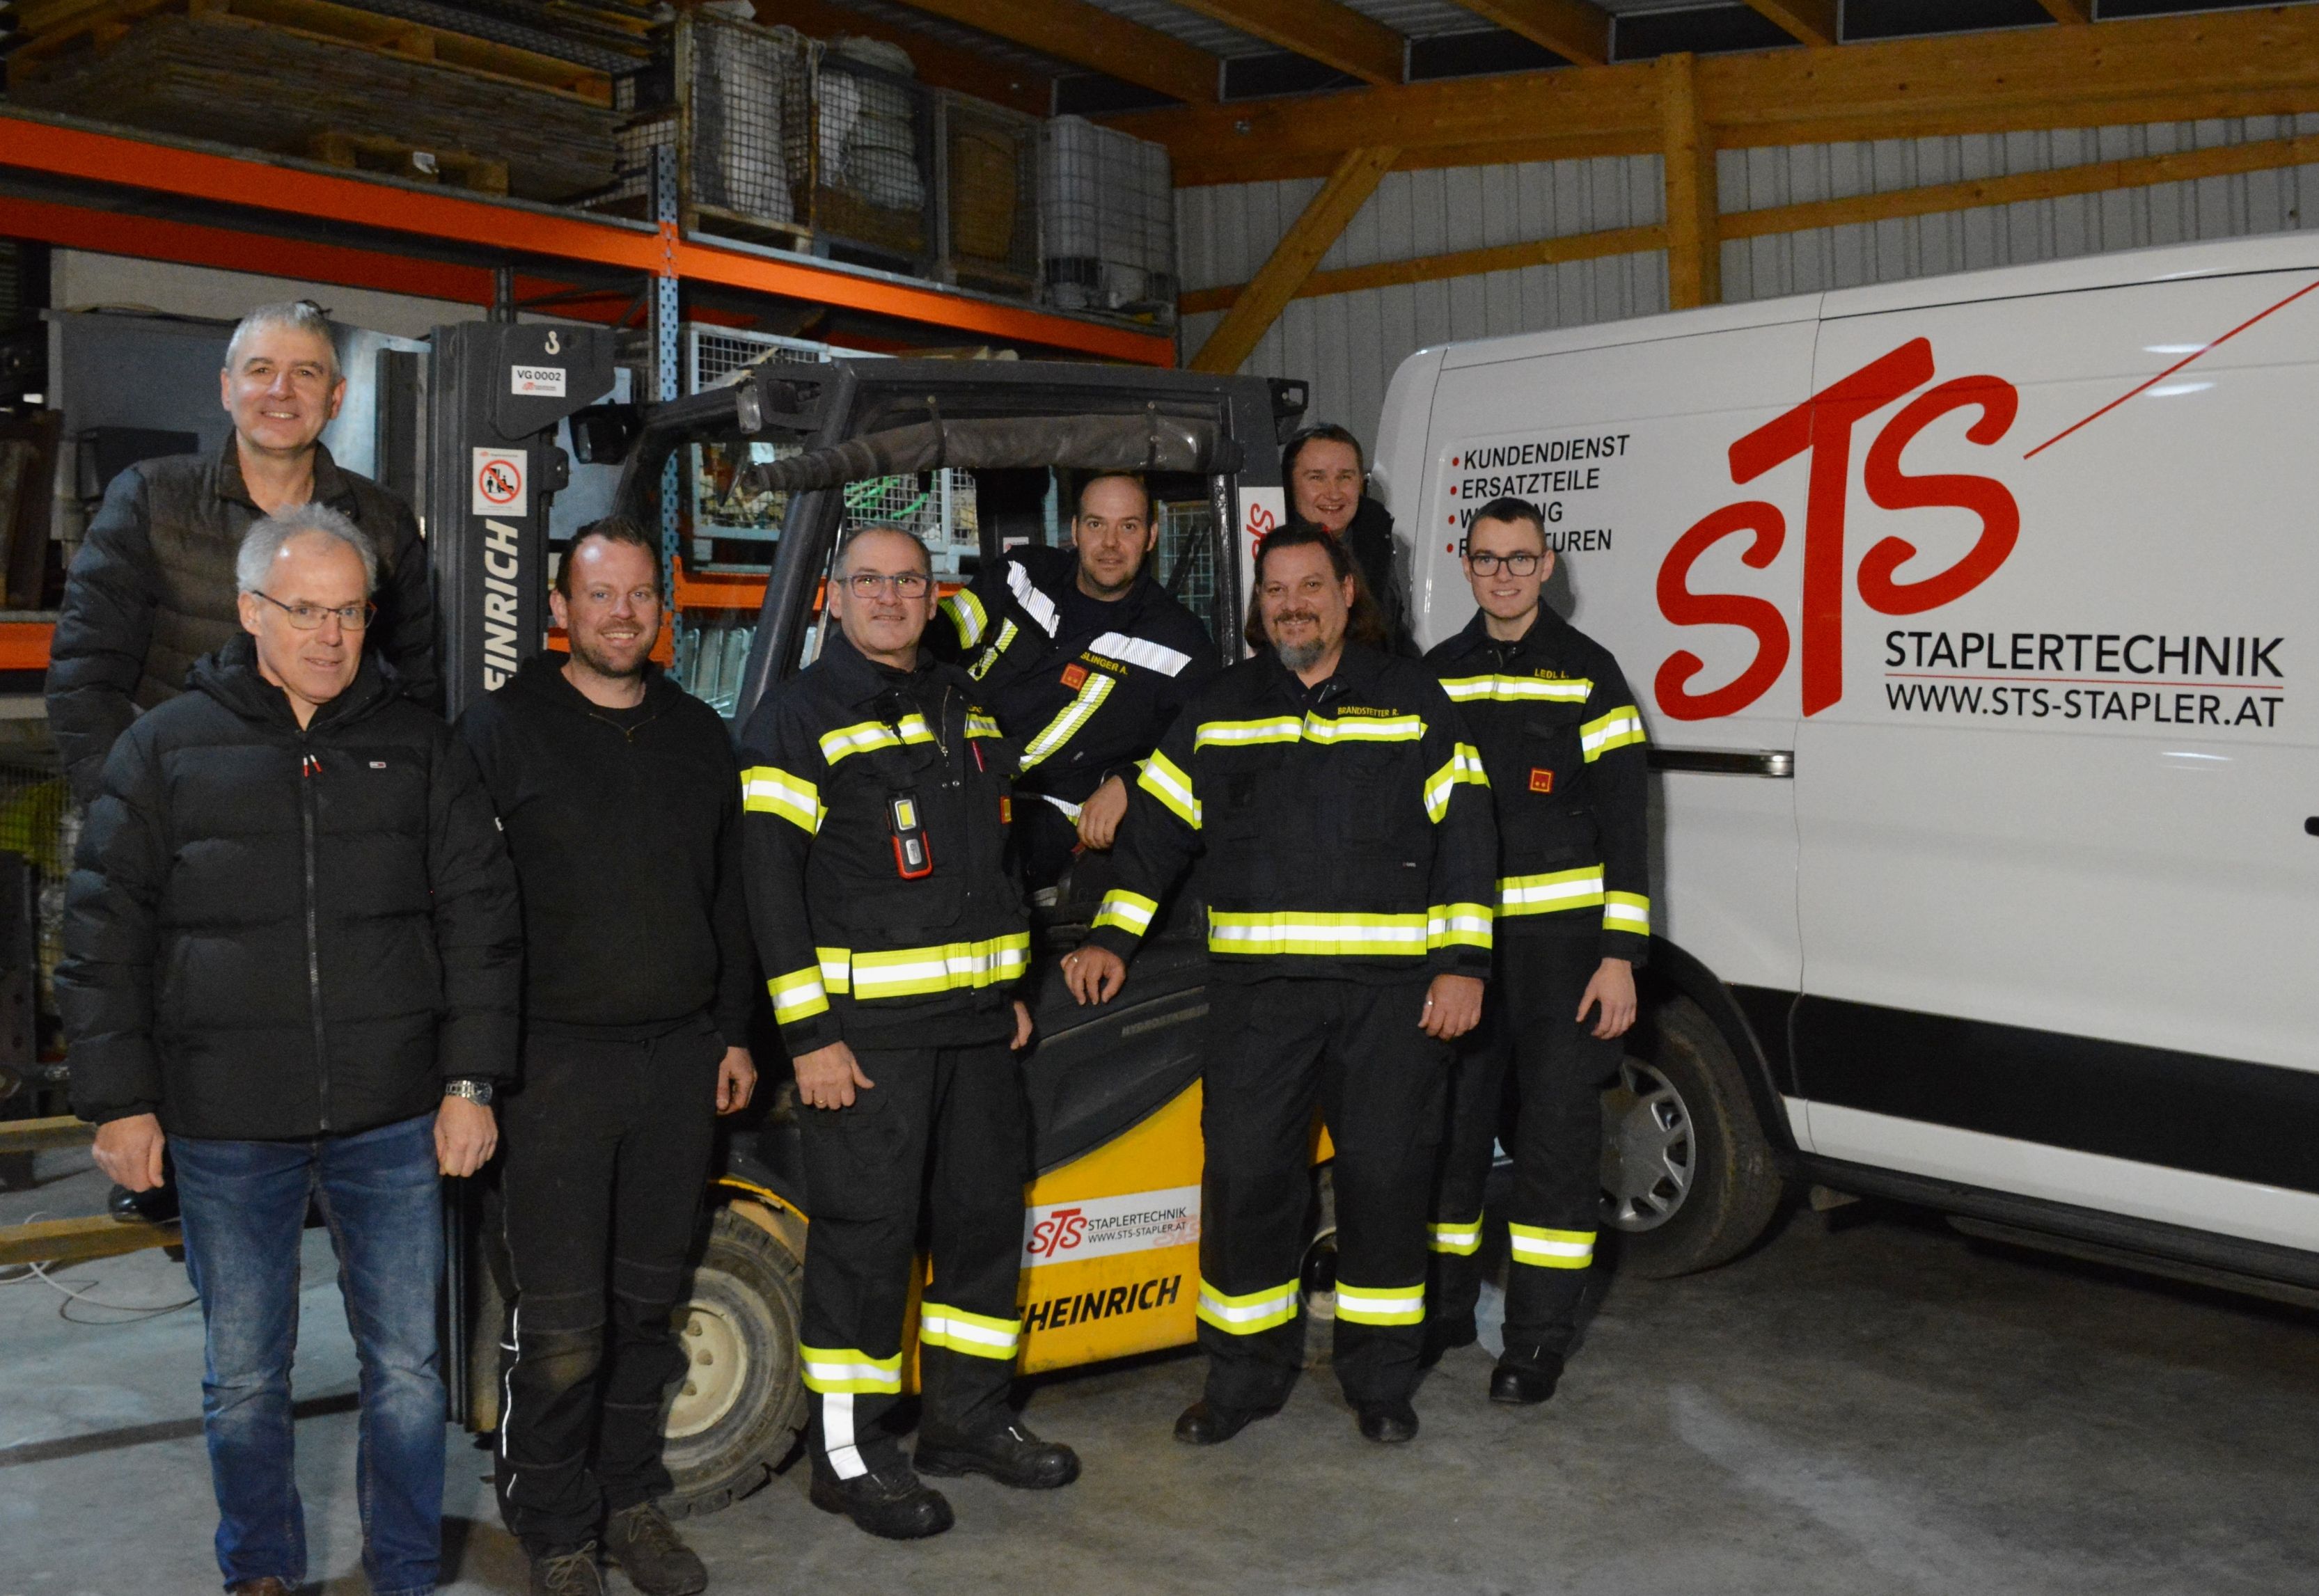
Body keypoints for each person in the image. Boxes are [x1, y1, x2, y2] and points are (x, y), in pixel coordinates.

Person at [57, 504, 519, 1596]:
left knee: (406, 1370)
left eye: (349, 611)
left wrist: (469, 1081)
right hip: (225, 1120)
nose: (330, 634)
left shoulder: (418, 745)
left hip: (393, 1113)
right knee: (246, 1375)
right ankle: (260, 1573)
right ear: (250, 609)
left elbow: (480, 920)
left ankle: (404, 1572)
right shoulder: (165, 747)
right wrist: (119, 1101)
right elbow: (103, 935)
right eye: (305, 610)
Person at [1063, 520, 1497, 1446]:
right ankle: (1241, 1379)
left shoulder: (1411, 701)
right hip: (1259, 1005)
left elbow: (1466, 839)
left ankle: (1380, 1381)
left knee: (1385, 1184)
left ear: (1346, 596)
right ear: (1258, 608)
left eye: (1309, 587)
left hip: (1389, 1004)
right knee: (1245, 1182)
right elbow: (1155, 834)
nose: (1292, 604)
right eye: (1275, 591)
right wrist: (1110, 935)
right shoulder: (1220, 707)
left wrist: (1462, 966)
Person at [739, 523, 1076, 1540]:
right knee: (867, 1240)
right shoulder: (795, 720)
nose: (890, 598)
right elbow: (767, 890)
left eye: (908, 582)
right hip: (866, 1042)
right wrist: (809, 1037)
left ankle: (967, 1418)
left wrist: (1009, 988)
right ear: (834, 597)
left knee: (982, 1225)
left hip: (976, 1030)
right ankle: (847, 1451)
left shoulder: (966, 704)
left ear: (933, 598)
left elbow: (994, 863)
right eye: (870, 581)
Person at [455, 519, 758, 1596]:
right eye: (600, 595)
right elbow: (464, 909)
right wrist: (471, 1071)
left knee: (646, 1307)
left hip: (677, 1063)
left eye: (639, 596)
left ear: (659, 612)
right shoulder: (500, 731)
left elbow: (731, 895)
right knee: (563, 1327)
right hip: (552, 1071)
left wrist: (732, 1030)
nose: (622, 615)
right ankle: (555, 1529)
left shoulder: (697, 734)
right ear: (559, 610)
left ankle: (629, 1501)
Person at [1422, 497, 1649, 1404]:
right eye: (1487, 558)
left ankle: (1534, 1344)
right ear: (1466, 566)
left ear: (1547, 565)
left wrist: (1619, 955)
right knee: (1448, 1140)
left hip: (1564, 964)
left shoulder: (1591, 674)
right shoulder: (1435, 676)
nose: (1503, 574)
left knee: (1554, 1149)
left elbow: (1627, 827)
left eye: (1520, 558)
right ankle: (1442, 1313)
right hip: (1463, 958)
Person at [48, 298, 441, 807]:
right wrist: (126, 811)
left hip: (329, 812)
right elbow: (84, 680)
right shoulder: (151, 500)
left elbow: (415, 687)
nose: (282, 390)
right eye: (261, 370)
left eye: (305, 373)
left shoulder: (382, 521)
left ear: (336, 397)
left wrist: (387, 807)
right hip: (183, 806)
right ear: (227, 388)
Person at [934, 472, 1217, 892]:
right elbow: (941, 634)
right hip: (951, 775)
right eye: (1096, 524)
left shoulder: (1181, 645)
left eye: (1129, 527)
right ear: (1075, 530)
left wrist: (1129, 783)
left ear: (1151, 537)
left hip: (1046, 818)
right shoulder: (1022, 574)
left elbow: (1202, 752)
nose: (1110, 544)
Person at [1282, 423, 1410, 651]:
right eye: (1317, 478)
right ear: (1290, 485)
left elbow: (1394, 637)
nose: (1333, 493)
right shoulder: (1267, 551)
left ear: (1361, 482)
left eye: (1345, 477)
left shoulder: (1377, 540)